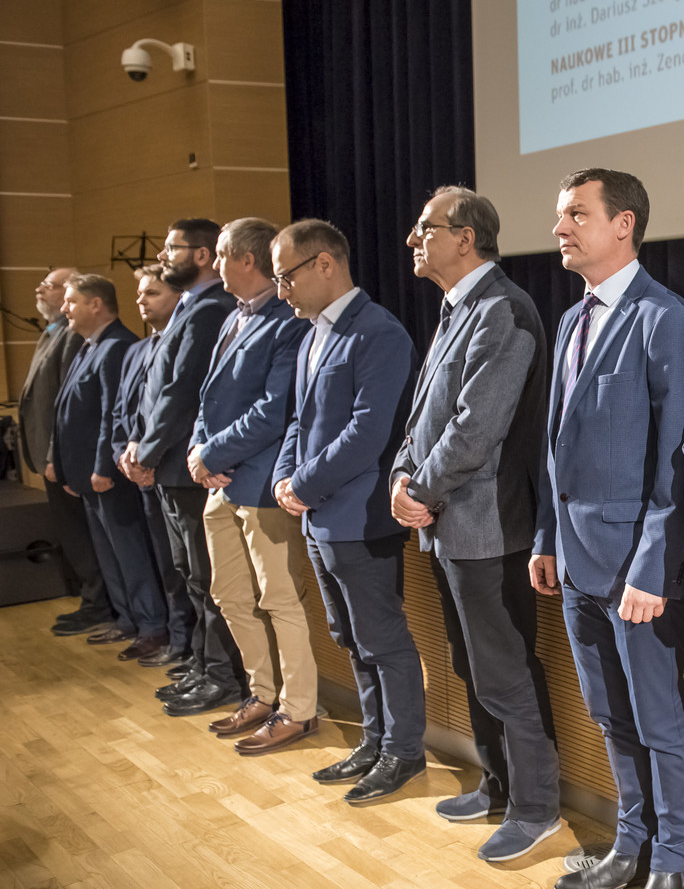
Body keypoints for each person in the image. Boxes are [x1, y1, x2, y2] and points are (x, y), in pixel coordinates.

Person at [531, 168, 684, 889]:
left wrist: (652, 565)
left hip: (639, 571)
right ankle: (630, 843)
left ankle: (674, 862)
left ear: (623, 223)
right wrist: (546, 538)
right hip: (575, 564)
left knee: (659, 721)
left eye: (577, 214)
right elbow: (556, 449)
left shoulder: (667, 320)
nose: (560, 229)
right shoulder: (573, 320)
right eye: (560, 215)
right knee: (609, 714)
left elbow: (678, 461)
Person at [393, 186, 562, 854]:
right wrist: (401, 479)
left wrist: (420, 489)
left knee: (504, 670)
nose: (413, 238)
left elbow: (475, 428)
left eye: (426, 227)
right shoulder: (457, 308)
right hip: (447, 522)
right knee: (471, 663)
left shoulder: (503, 309)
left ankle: (537, 807)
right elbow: (422, 418)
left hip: (488, 527)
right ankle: (497, 786)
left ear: (466, 238)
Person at [271, 219, 426, 802]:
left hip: (360, 516)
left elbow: (368, 432)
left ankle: (403, 752)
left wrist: (304, 484)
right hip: (319, 515)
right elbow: (299, 419)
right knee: (350, 637)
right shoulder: (312, 334)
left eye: (287, 276)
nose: (281, 290)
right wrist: (285, 477)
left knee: (381, 638)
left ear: (325, 264)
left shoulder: (378, 331)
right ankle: (375, 739)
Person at [190, 217, 317, 755]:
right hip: (219, 482)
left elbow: (274, 411)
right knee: (229, 595)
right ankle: (262, 695)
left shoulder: (288, 320)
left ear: (247, 259)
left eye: (220, 254)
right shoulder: (233, 316)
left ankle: (298, 710)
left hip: (262, 483)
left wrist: (212, 455)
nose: (214, 263)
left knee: (280, 599)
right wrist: (199, 451)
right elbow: (207, 399)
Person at [128, 218, 245, 717]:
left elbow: (182, 395)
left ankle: (223, 675)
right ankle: (203, 662)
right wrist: (141, 444)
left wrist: (148, 451)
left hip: (188, 465)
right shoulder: (190, 308)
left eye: (171, 247)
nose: (163, 256)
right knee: (190, 575)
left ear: (201, 254)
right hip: (172, 466)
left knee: (208, 577)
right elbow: (156, 391)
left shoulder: (209, 309)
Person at [44, 275, 164, 653]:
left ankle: (151, 626)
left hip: (108, 475)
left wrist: (103, 468)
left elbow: (113, 415)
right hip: (87, 475)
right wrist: (64, 466)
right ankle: (127, 619)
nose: (65, 308)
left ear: (96, 304)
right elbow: (68, 412)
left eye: (71, 301)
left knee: (130, 553)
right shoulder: (89, 345)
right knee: (111, 555)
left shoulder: (116, 346)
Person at [20, 266, 112, 636]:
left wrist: (54, 454)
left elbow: (68, 405)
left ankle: (99, 604)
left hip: (64, 456)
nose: (39, 289)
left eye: (50, 285)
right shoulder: (52, 332)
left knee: (81, 533)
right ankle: (91, 599)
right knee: (72, 533)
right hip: (51, 454)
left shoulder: (72, 337)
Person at [114, 268, 198, 668]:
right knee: (168, 566)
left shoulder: (186, 340)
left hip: (173, 468)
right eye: (139, 293)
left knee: (189, 571)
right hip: (146, 469)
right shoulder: (138, 349)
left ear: (178, 297)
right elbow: (128, 410)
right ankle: (179, 641)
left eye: (152, 292)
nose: (140, 300)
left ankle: (189, 646)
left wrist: (147, 456)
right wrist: (129, 451)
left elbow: (178, 404)